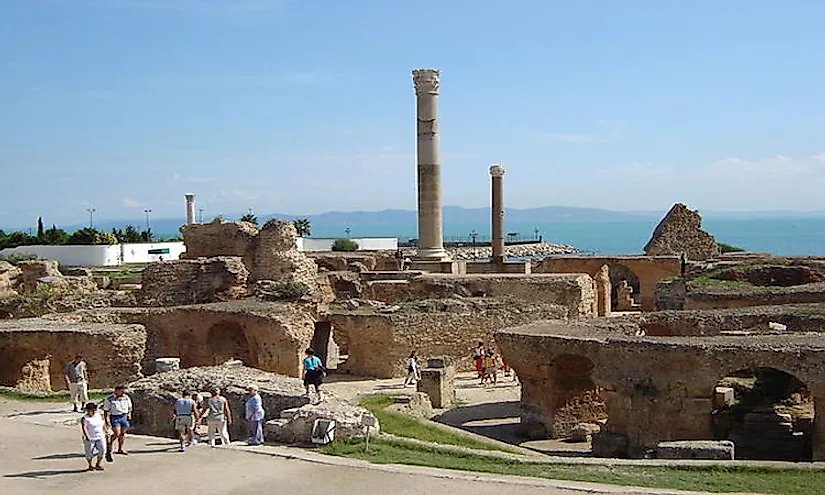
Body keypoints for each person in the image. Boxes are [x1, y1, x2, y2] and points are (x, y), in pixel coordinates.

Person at [102, 385, 133, 455]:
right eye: (121, 391)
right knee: (117, 433)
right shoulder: (110, 399)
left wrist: (129, 414)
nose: (122, 392)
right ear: (116, 391)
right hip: (115, 417)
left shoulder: (126, 397)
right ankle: (109, 444)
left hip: (124, 416)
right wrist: (107, 421)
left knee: (122, 433)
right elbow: (106, 410)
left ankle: (120, 448)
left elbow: (130, 407)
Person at [80, 402, 106, 471]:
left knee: (103, 450)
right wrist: (87, 436)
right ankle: (90, 465)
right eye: (91, 410)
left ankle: (98, 464)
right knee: (89, 452)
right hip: (90, 438)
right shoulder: (85, 418)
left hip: (100, 436)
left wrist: (106, 431)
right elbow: (84, 427)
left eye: (94, 410)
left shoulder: (98, 415)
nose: (93, 411)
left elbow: (102, 424)